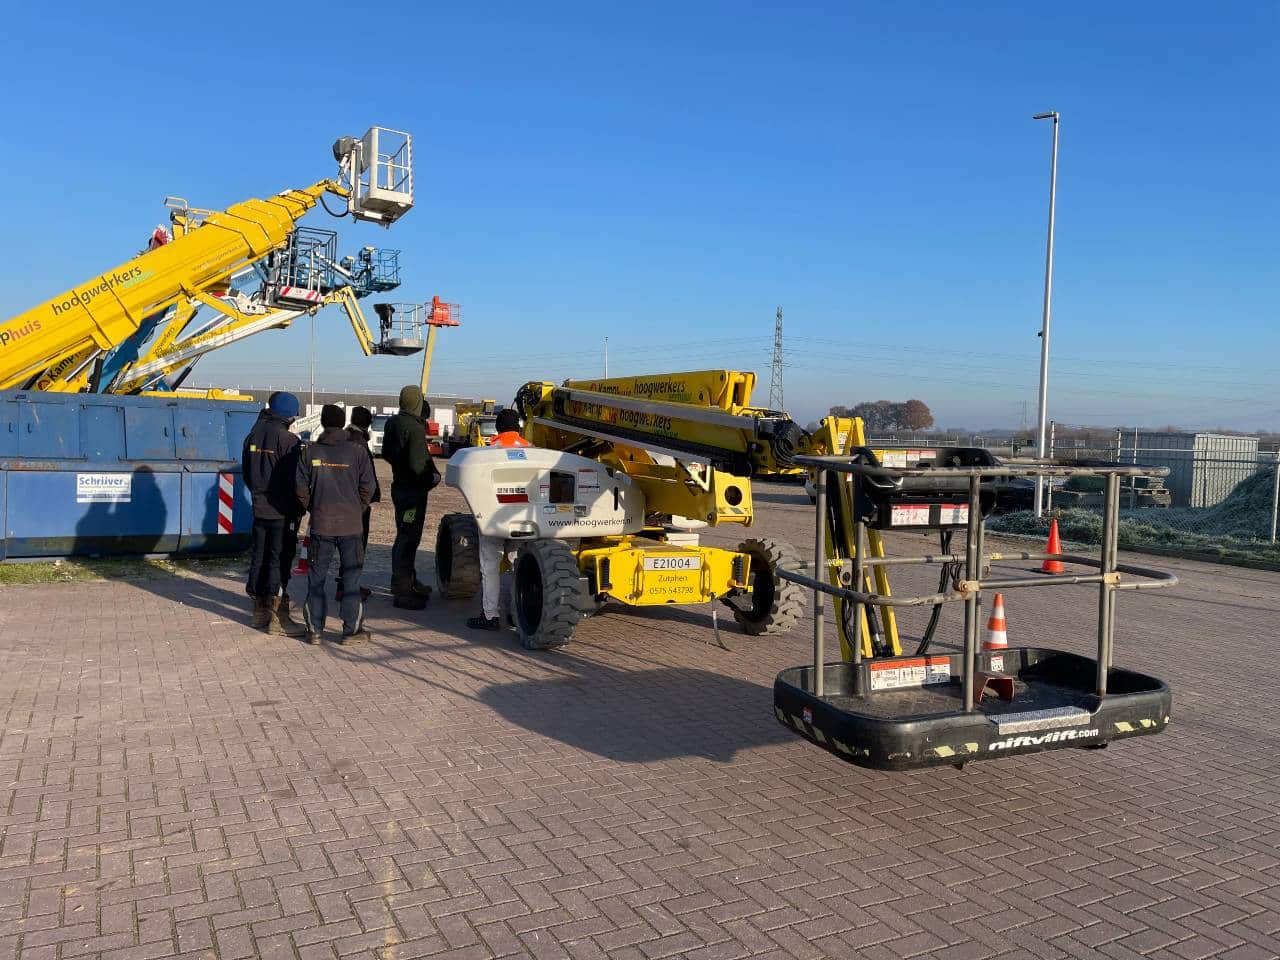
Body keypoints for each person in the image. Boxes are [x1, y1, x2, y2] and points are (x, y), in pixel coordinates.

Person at [295, 405, 376, 645]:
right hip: (351, 526)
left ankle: (315, 630)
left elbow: (300, 487)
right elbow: (368, 487)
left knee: (316, 578)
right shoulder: (357, 452)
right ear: (342, 423)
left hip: (321, 525)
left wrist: (314, 506)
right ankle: (351, 632)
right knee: (351, 580)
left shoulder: (310, 451)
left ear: (322, 422)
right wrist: (356, 508)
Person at [242, 391, 306, 637]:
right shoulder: (288, 441)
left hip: (259, 508)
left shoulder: (253, 435)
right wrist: (298, 507)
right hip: (282, 512)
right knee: (279, 560)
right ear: (289, 416)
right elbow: (296, 481)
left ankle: (259, 610)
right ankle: (277, 617)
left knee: (259, 556)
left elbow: (247, 473)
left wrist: (259, 494)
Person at [468, 408, 531, 631]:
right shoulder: (532, 451)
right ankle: (517, 614)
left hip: (494, 520)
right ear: (518, 428)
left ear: (498, 428)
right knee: (517, 566)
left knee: (490, 568)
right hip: (524, 519)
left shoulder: (490, 451)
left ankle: (490, 616)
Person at [381, 385, 440, 610]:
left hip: (400, 487)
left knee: (404, 536)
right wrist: (431, 479)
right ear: (417, 402)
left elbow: (387, 453)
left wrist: (400, 465)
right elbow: (418, 465)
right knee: (408, 539)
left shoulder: (392, 423)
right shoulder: (414, 429)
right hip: (413, 493)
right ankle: (403, 590)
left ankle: (408, 581)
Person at [336, 406, 381, 603]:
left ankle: (344, 586)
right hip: (356, 505)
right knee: (355, 548)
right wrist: (365, 503)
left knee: (345, 546)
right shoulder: (360, 444)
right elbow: (367, 480)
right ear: (368, 423)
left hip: (339, 501)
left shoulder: (342, 438)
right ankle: (349, 588)